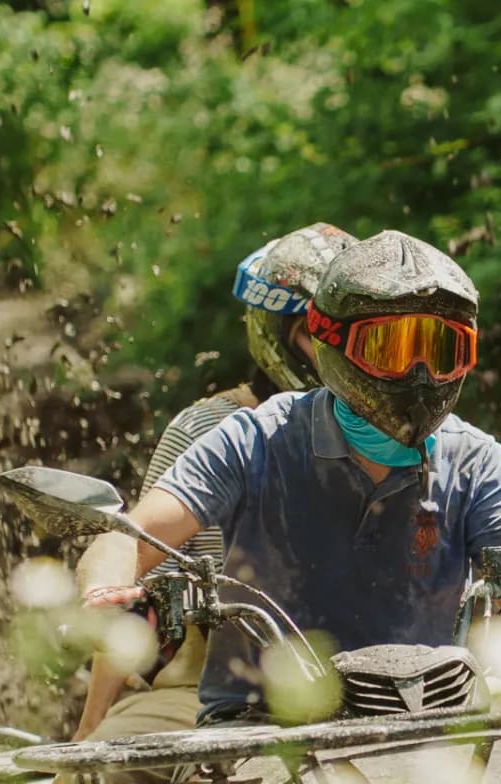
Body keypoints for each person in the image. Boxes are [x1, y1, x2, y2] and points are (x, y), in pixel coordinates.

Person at [81, 229, 501, 747]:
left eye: (440, 350)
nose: (419, 373)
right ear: (327, 342)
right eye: (389, 347)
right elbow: (127, 535)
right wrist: (107, 593)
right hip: (259, 727)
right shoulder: (253, 437)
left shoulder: (479, 462)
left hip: (426, 724)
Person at [68, 223, 358, 746]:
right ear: (278, 337)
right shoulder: (209, 431)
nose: (337, 352)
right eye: (318, 336)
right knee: (97, 780)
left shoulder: (406, 431)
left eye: (353, 333)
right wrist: (90, 724)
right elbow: (135, 582)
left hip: (380, 680)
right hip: (217, 690)